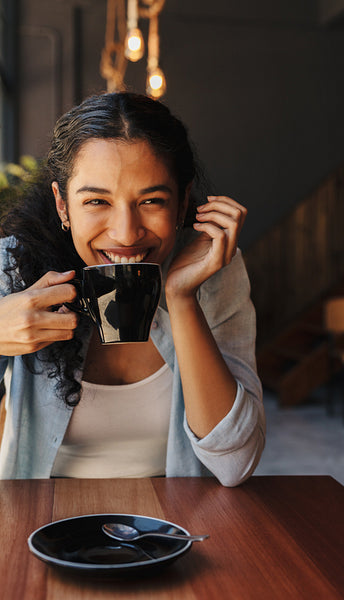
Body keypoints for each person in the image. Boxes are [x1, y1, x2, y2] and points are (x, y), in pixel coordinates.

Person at [0, 92, 265, 485]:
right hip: (42, 521)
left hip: (175, 527)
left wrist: (181, 297)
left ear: (181, 203)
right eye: (96, 201)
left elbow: (236, 464)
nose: (126, 232)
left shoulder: (213, 272)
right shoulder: (13, 268)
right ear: (62, 205)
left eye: (151, 200)